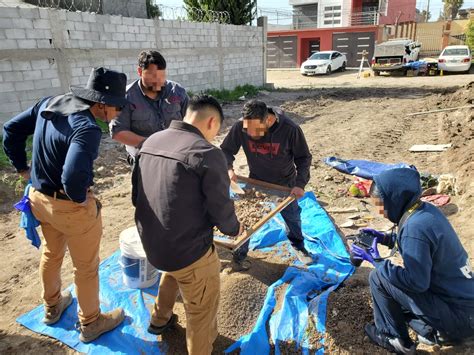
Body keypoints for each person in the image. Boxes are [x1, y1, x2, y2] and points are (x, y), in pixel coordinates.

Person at [2, 67, 128, 343]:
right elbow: (72, 178)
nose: (118, 113)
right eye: (117, 107)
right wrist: (84, 203)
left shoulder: (48, 103)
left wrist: (23, 168)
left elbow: (10, 130)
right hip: (69, 207)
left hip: (38, 198)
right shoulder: (86, 129)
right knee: (85, 268)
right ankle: (92, 322)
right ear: (101, 104)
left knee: (51, 253)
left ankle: (52, 306)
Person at [132, 95, 242, 354]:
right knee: (201, 311)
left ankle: (160, 319)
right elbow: (220, 209)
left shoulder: (150, 141)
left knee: (173, 271)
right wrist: (235, 229)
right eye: (216, 131)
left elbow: (136, 195)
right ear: (212, 121)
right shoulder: (206, 152)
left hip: (153, 245)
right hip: (188, 252)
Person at [350, 168, 474, 354]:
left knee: (379, 276)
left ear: (395, 199)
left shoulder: (414, 229)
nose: (381, 212)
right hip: (466, 308)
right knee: (393, 284)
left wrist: (376, 260)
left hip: (460, 319)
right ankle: (435, 331)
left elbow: (417, 283)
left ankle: (395, 339)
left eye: (381, 205)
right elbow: (420, 246)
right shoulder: (425, 211)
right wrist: (385, 238)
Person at [220, 99, 312, 270]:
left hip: (285, 183)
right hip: (256, 180)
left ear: (268, 120)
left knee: (292, 217)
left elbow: (304, 158)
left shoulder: (290, 129)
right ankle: (239, 255)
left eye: (256, 130)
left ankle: (299, 246)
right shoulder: (242, 127)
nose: (250, 134)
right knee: (247, 218)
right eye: (248, 129)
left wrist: (300, 184)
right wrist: (229, 170)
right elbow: (225, 150)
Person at [110, 50, 188, 162]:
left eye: (162, 75)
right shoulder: (126, 98)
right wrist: (153, 145)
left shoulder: (176, 92)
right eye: (153, 75)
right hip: (143, 159)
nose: (159, 80)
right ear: (140, 71)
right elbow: (118, 133)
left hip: (176, 155)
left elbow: (191, 120)